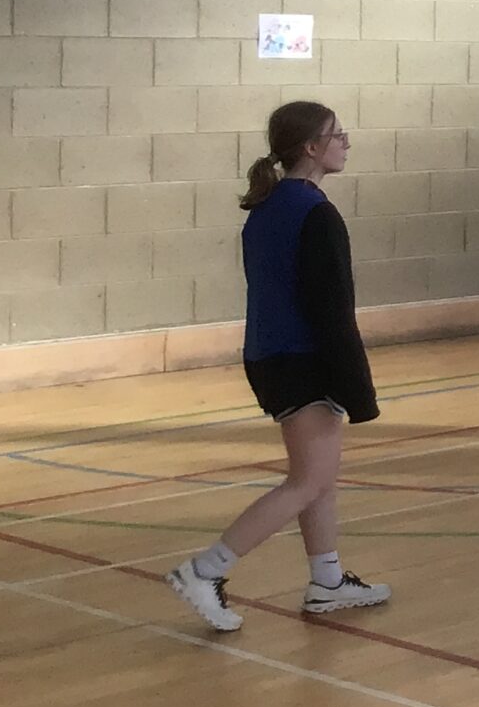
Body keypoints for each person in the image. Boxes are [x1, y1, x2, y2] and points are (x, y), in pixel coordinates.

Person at [164, 103, 390, 631]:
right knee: (307, 481)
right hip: (303, 360)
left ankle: (327, 581)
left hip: (272, 356)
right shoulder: (315, 213)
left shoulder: (268, 208)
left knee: (318, 476)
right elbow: (332, 308)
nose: (346, 143)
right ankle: (204, 570)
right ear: (311, 147)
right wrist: (359, 389)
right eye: (337, 135)